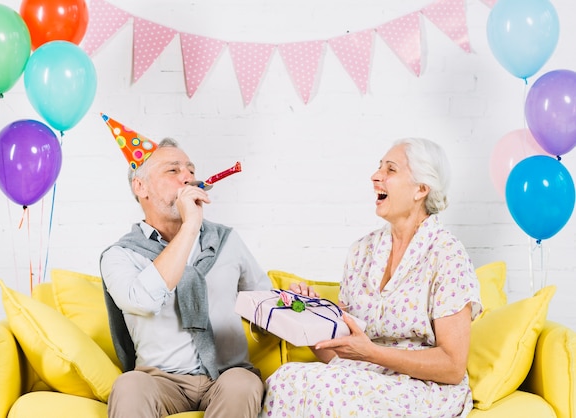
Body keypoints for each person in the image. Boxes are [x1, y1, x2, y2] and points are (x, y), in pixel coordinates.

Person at [263, 137, 482, 418]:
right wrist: (311, 319)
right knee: (286, 379)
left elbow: (452, 366)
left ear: (421, 189)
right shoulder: (361, 251)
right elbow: (340, 355)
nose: (375, 176)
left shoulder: (446, 254)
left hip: (423, 388)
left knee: (328, 389)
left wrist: (372, 353)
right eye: (379, 168)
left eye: (390, 170)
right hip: (360, 375)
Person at [99, 118, 270, 418]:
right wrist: (190, 225)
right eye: (173, 170)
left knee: (243, 384)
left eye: (191, 169)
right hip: (159, 381)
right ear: (141, 187)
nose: (188, 177)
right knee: (128, 386)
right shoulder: (119, 256)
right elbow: (144, 300)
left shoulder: (227, 240)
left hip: (226, 376)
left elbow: (265, 306)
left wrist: (292, 306)